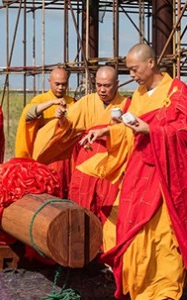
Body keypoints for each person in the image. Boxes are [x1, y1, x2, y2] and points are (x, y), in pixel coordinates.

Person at [79, 43, 187, 299]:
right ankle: (140, 288)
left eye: (134, 69)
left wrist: (153, 131)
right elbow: (129, 130)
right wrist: (105, 131)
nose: (132, 76)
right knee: (128, 231)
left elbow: (183, 130)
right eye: (129, 70)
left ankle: (164, 291)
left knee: (161, 237)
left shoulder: (176, 93)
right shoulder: (138, 95)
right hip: (137, 175)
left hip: (163, 178)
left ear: (151, 64)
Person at [32, 66, 130, 228]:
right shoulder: (87, 102)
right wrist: (62, 118)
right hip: (87, 162)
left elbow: (131, 136)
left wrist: (113, 131)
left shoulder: (127, 105)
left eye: (107, 85)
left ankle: (106, 248)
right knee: (82, 205)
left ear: (117, 84)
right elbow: (68, 125)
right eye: (98, 85)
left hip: (111, 167)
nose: (102, 90)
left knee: (108, 208)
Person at [15, 67, 75, 198]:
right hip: (46, 157)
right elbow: (28, 115)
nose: (60, 88)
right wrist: (52, 103)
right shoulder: (41, 100)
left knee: (66, 190)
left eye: (64, 84)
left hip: (65, 157)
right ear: (49, 81)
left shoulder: (72, 102)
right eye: (57, 84)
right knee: (47, 191)